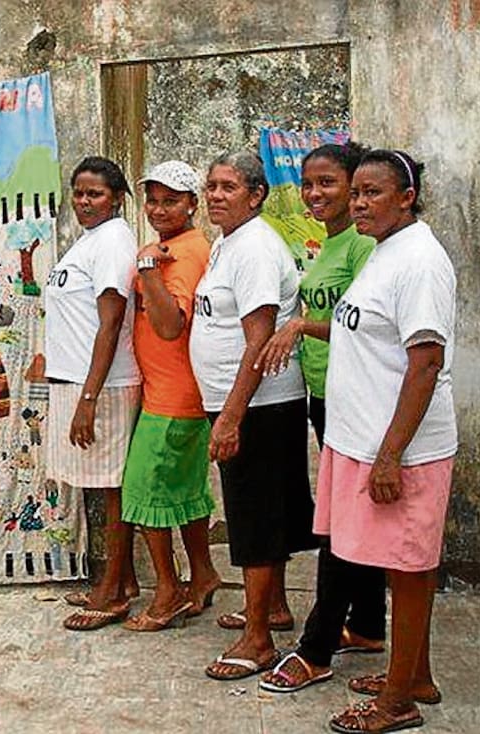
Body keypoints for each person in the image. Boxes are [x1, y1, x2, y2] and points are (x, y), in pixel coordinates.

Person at [310, 151, 455, 733]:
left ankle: (398, 702)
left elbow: (425, 364)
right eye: (358, 192)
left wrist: (392, 453)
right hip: (363, 441)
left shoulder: (419, 261)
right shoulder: (384, 252)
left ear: (407, 196)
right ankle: (413, 673)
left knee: (410, 568)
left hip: (402, 451)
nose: (359, 203)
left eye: (374, 193)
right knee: (398, 566)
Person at [254, 144, 387, 693]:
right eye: (308, 184)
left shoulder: (363, 246)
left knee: (338, 523)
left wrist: (301, 327)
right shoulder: (330, 244)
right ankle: (368, 625)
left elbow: (366, 327)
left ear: (355, 187)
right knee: (350, 515)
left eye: (328, 183)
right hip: (324, 395)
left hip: (354, 400)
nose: (315, 194)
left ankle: (317, 646)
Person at [189, 152, 316, 679]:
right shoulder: (229, 243)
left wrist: (232, 417)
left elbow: (259, 340)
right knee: (267, 511)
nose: (215, 196)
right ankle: (275, 607)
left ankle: (259, 638)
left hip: (257, 405)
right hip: (247, 402)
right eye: (211, 186)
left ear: (257, 194)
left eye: (228, 187)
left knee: (254, 516)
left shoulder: (256, 249)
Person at [119, 160, 221, 632]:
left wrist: (147, 270)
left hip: (173, 397)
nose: (159, 209)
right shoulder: (184, 245)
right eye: (153, 199)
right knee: (186, 492)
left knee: (142, 493)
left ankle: (168, 591)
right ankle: (202, 575)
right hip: (178, 392)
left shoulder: (179, 254)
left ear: (191, 204)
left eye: (171, 200)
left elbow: (169, 325)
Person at [43, 156, 141, 630]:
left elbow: (111, 323)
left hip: (104, 387)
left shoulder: (114, 242)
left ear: (117, 197)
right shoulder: (90, 241)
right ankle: (120, 581)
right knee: (100, 487)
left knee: (114, 488)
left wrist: (88, 398)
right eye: (78, 193)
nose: (84, 201)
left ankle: (112, 591)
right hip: (80, 383)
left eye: (95, 193)